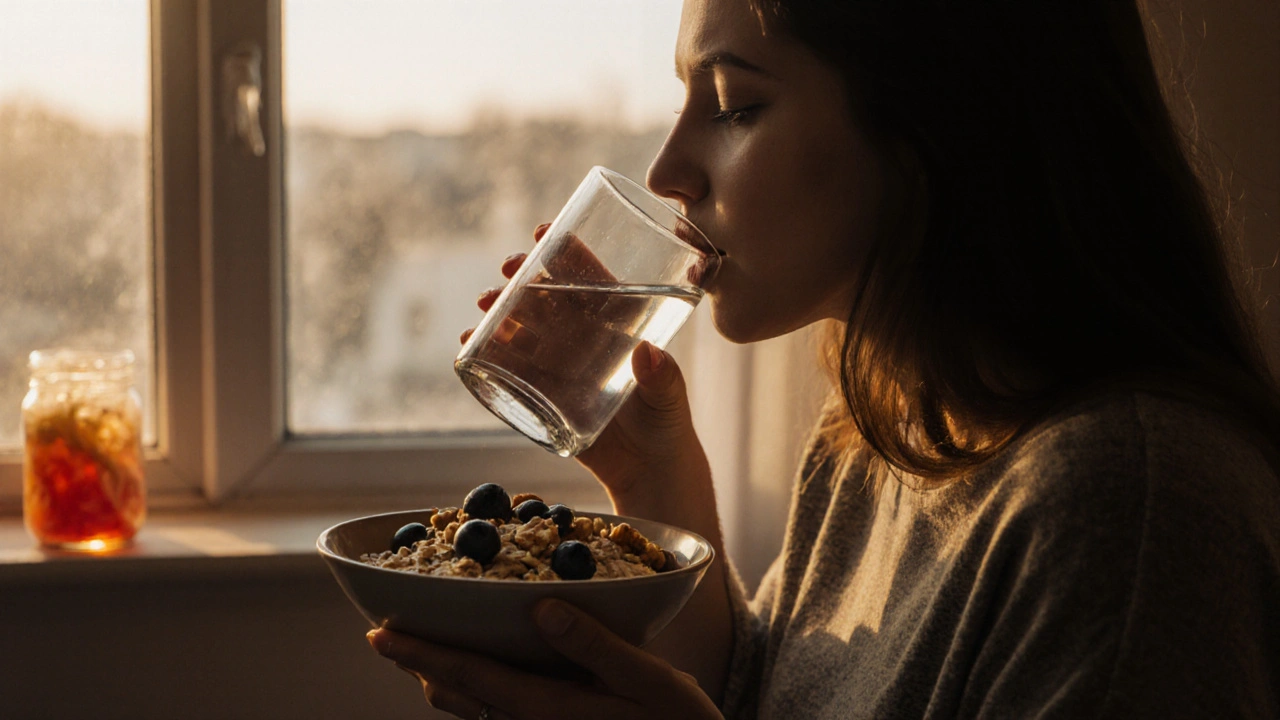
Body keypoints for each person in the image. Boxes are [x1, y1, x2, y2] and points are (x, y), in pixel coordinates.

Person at [366, 0, 1280, 717]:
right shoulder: (880, 433)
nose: (666, 172)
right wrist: (651, 477)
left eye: (733, 105)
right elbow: (760, 700)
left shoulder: (1129, 506)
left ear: (940, 120)